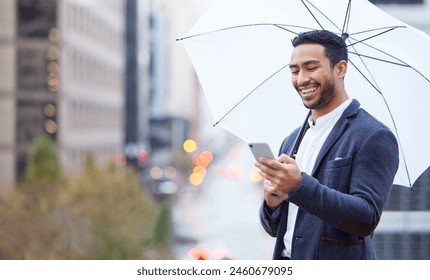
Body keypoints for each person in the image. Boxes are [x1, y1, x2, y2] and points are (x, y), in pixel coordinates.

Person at [256, 30, 399, 260]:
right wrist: (273, 203)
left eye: (311, 68)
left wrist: (299, 186)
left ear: (340, 69)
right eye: (294, 71)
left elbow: (366, 218)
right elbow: (278, 230)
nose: (301, 79)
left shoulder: (373, 135)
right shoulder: (292, 140)